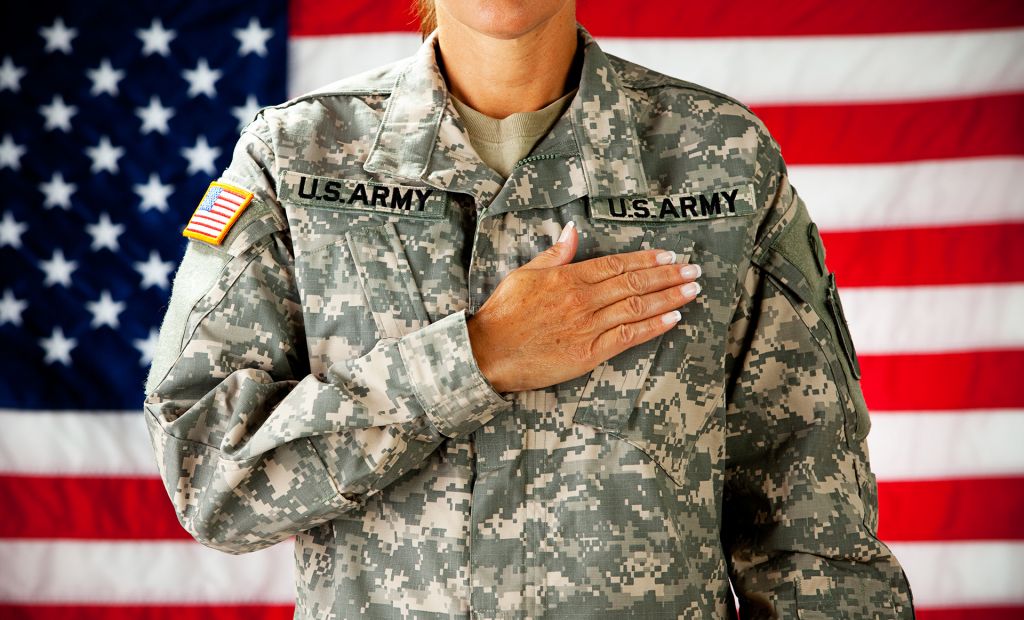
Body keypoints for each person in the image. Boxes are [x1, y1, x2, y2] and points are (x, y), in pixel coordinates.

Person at [143, 0, 915, 617]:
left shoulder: (721, 160)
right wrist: (473, 359)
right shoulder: (297, 159)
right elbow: (208, 476)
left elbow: (814, 537)